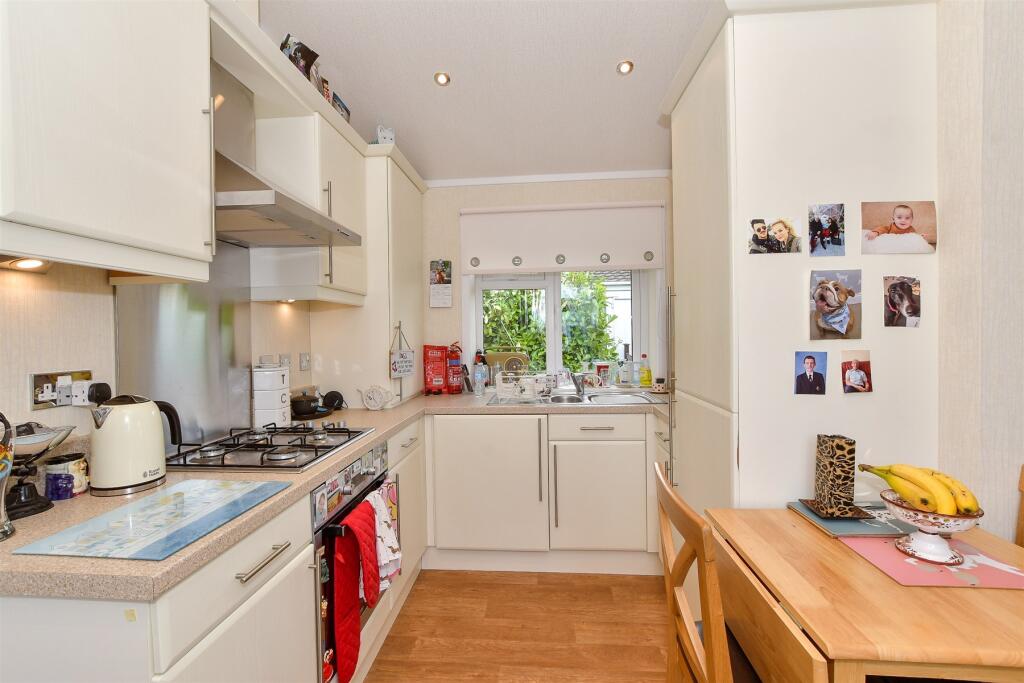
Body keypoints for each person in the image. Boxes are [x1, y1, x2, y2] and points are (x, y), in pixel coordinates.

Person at [865, 204, 936, 244]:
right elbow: (881, 229)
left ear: (912, 220)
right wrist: (875, 233)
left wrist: (920, 237)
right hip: (890, 245)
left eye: (907, 218)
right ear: (893, 219)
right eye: (899, 217)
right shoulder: (890, 227)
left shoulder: (911, 229)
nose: (903, 220)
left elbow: (913, 238)